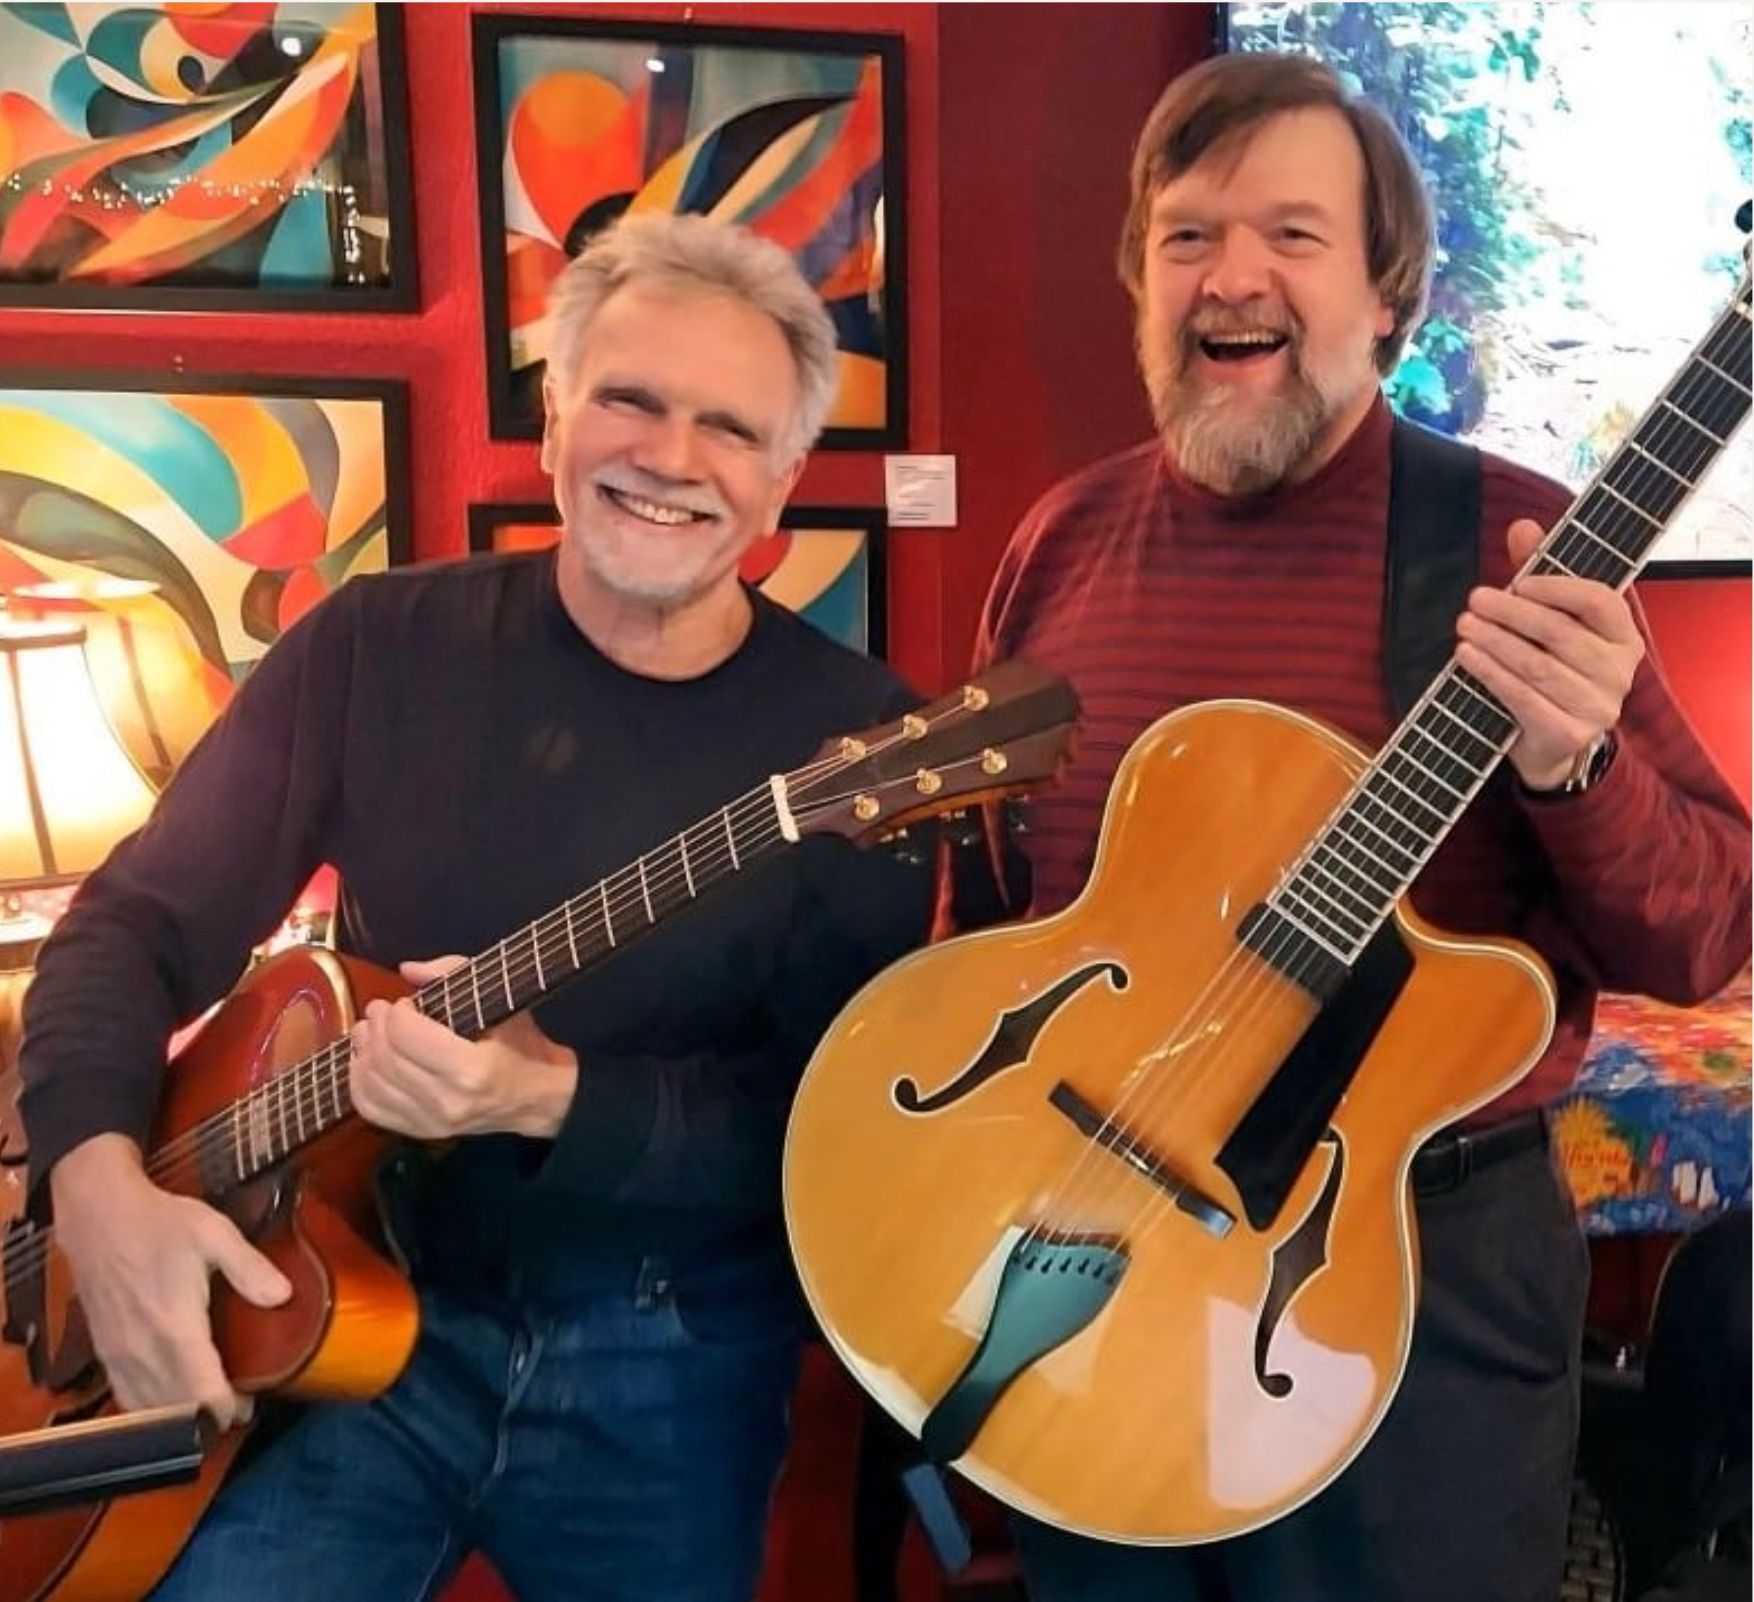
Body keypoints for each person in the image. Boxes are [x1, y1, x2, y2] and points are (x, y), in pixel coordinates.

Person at [18, 212, 936, 1602]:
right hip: (350, 1299)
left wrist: (552, 1098)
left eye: (729, 428)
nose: (670, 456)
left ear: (782, 482)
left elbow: (833, 1132)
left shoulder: (867, 754)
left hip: (672, 1348)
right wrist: (92, 1188)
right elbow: (131, 923)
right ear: (556, 417)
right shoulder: (374, 644)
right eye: (629, 399)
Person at [941, 50, 1752, 1602]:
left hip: (1404, 1288)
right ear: (1139, 284)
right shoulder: (1059, 541)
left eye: (1291, 234)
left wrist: (1576, 766)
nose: (1231, 275)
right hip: (1093, 1242)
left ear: (1388, 298)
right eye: (1187, 235)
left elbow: (1705, 930)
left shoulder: (1517, 541)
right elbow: (988, 910)